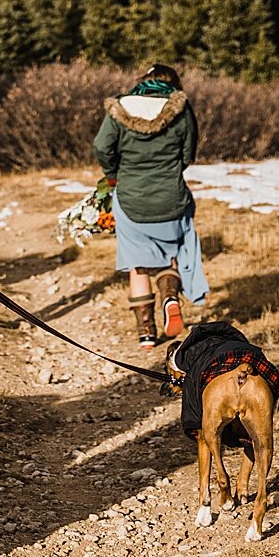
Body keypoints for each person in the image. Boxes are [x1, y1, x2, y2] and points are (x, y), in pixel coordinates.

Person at [93, 63, 207, 350]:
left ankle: (145, 333)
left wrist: (113, 174)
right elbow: (188, 151)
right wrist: (172, 169)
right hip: (171, 196)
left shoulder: (120, 109)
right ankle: (170, 297)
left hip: (131, 198)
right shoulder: (180, 109)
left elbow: (101, 146)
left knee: (138, 265)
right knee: (170, 257)